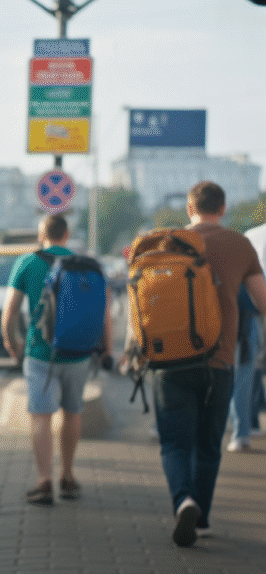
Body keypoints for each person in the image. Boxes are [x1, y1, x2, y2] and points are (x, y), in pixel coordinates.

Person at [134, 181, 266, 546]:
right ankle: (202, 518)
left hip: (168, 359)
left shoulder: (165, 242)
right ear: (222, 209)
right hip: (219, 361)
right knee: (208, 445)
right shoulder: (241, 244)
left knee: (174, 443)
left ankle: (183, 499)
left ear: (189, 209)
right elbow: (262, 301)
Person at [0, 214, 113, 506]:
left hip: (40, 353)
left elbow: (9, 313)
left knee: (41, 417)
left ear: (42, 234)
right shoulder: (87, 264)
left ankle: (44, 480)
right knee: (72, 413)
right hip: (78, 354)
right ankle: (68, 475)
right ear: (67, 234)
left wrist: (13, 344)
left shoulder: (28, 262)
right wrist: (107, 350)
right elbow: (104, 315)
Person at [229, 221, 266, 452]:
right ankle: (243, 428)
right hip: (249, 316)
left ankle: (243, 427)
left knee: (240, 375)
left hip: (227, 316)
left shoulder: (248, 235)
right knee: (247, 373)